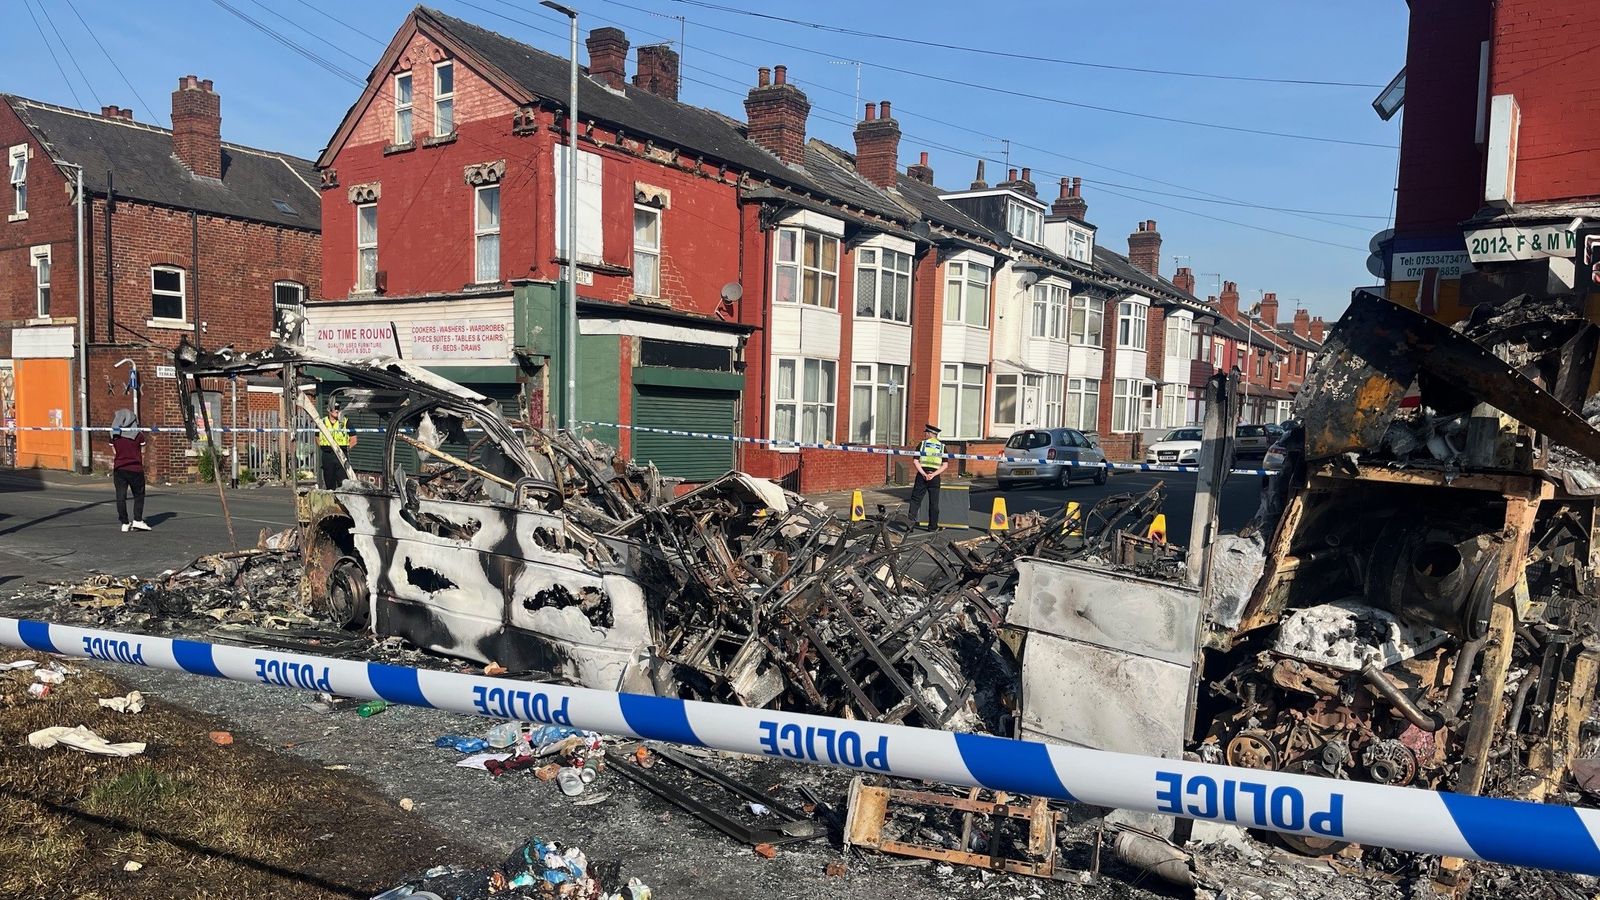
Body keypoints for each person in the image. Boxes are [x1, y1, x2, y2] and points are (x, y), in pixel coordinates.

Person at [109, 408, 150, 532]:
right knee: (139, 495)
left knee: (120, 496)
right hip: (135, 468)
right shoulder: (138, 434)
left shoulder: (114, 435)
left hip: (119, 468)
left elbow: (114, 451)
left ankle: (124, 522)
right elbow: (143, 450)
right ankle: (137, 520)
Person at [906, 424, 947, 532]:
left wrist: (924, 473)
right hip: (935, 476)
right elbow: (945, 465)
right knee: (934, 502)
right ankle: (932, 527)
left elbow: (915, 461)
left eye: (926, 433)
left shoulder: (922, 444)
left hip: (921, 475)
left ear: (929, 434)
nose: (925, 435)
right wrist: (933, 475)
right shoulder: (942, 447)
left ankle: (910, 526)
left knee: (915, 500)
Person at [317, 399, 357, 489]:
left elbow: (354, 439)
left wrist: (345, 450)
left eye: (338, 408)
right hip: (328, 454)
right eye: (334, 408)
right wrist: (324, 447)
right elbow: (317, 437)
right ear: (328, 409)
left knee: (343, 482)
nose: (336, 410)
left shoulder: (345, 422)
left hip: (341, 453)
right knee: (329, 481)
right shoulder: (322, 422)